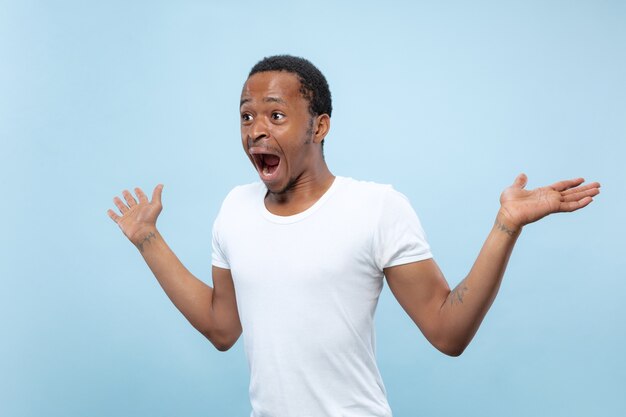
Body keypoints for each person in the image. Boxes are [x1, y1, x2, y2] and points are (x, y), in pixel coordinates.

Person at [107, 55, 600, 417]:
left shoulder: (375, 208)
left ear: (319, 126)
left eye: (275, 115)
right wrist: (149, 239)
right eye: (246, 116)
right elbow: (222, 327)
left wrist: (504, 227)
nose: (256, 129)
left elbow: (449, 333)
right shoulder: (234, 209)